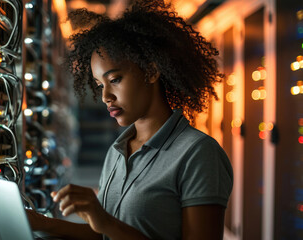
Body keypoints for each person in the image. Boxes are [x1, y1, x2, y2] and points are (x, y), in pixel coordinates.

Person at [26, 0, 233, 239]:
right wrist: (41, 223)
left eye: (114, 80)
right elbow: (105, 234)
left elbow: (107, 227)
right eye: (99, 85)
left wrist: (104, 222)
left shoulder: (198, 153)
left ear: (151, 71)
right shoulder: (118, 151)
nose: (105, 96)